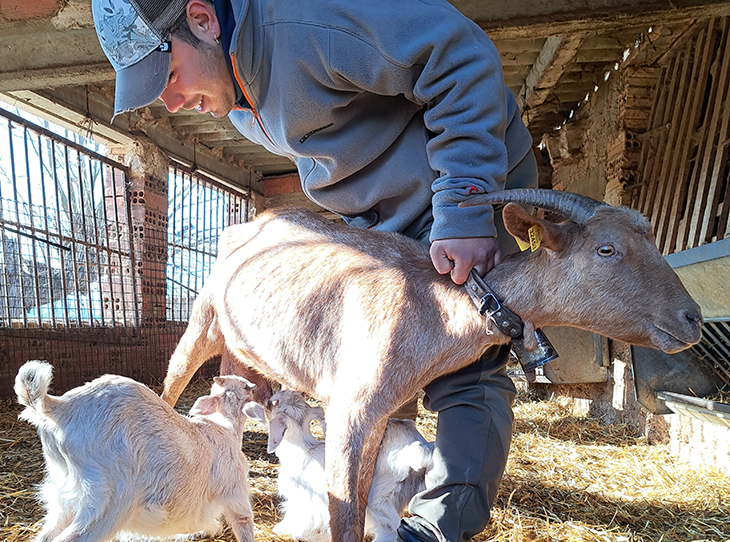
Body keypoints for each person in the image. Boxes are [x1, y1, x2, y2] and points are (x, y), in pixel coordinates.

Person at [92, 0, 538, 540]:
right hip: (382, 223)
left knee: (466, 363)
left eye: (166, 75)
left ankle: (435, 529)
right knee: (385, 372)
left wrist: (467, 203)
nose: (170, 101)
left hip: (452, 193)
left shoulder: (304, 22)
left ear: (204, 19)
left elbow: (459, 56)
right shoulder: (237, 93)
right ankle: (390, 506)